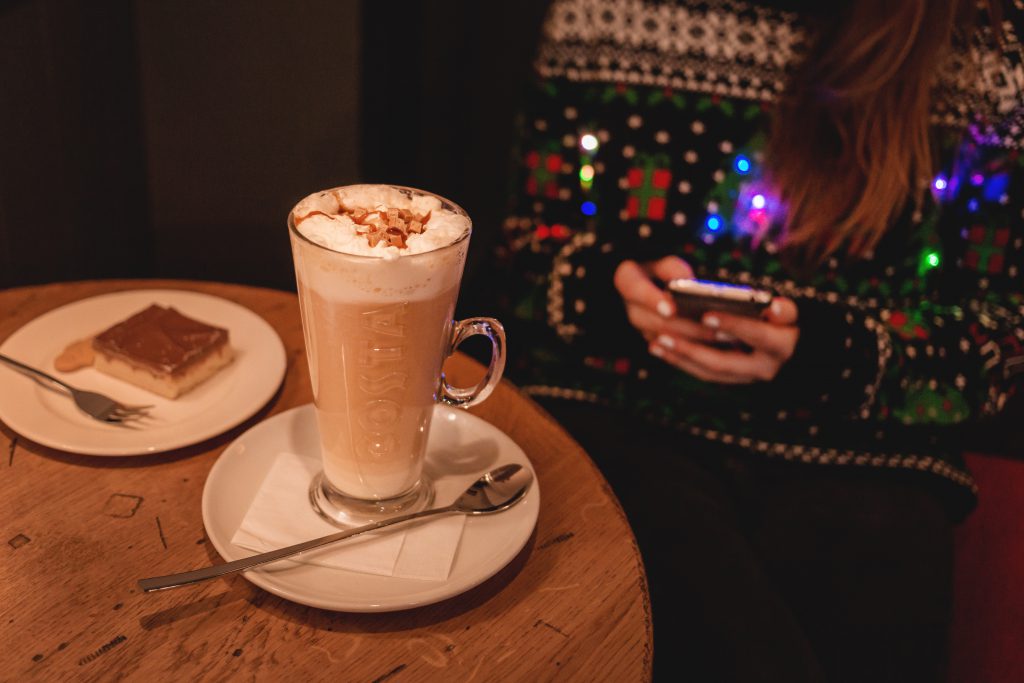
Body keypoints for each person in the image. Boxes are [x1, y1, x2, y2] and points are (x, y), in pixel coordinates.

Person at [491, 0, 1024, 680]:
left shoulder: (977, 41)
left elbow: (997, 345)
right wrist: (609, 289)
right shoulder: (605, 11)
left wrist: (833, 352)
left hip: (868, 451)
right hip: (618, 411)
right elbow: (519, 254)